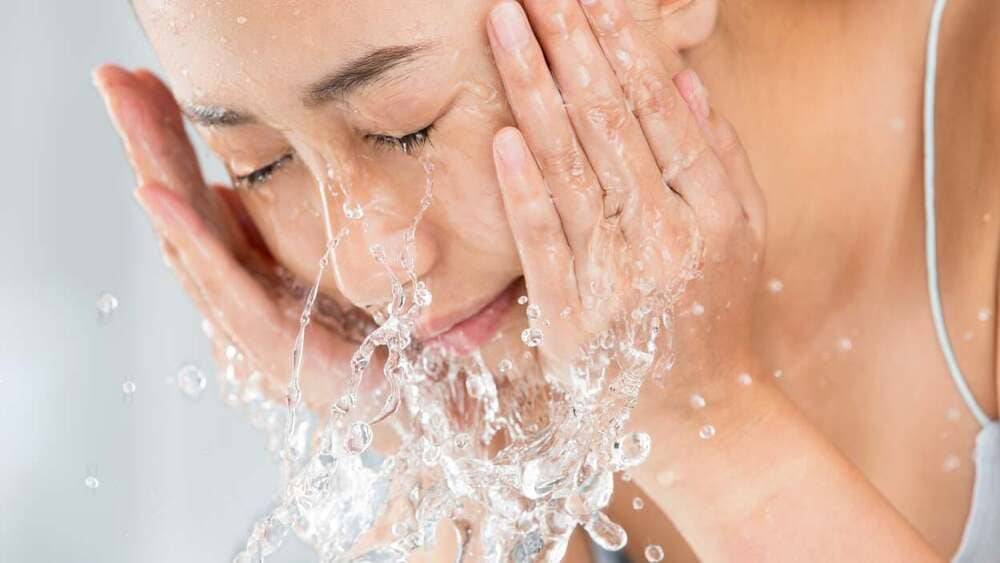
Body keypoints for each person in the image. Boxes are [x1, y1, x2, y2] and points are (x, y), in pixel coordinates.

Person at [94, 0, 999, 560]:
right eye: (257, 163)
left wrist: (708, 421)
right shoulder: (468, 348)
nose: (367, 267)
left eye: (403, 128)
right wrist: (461, 475)